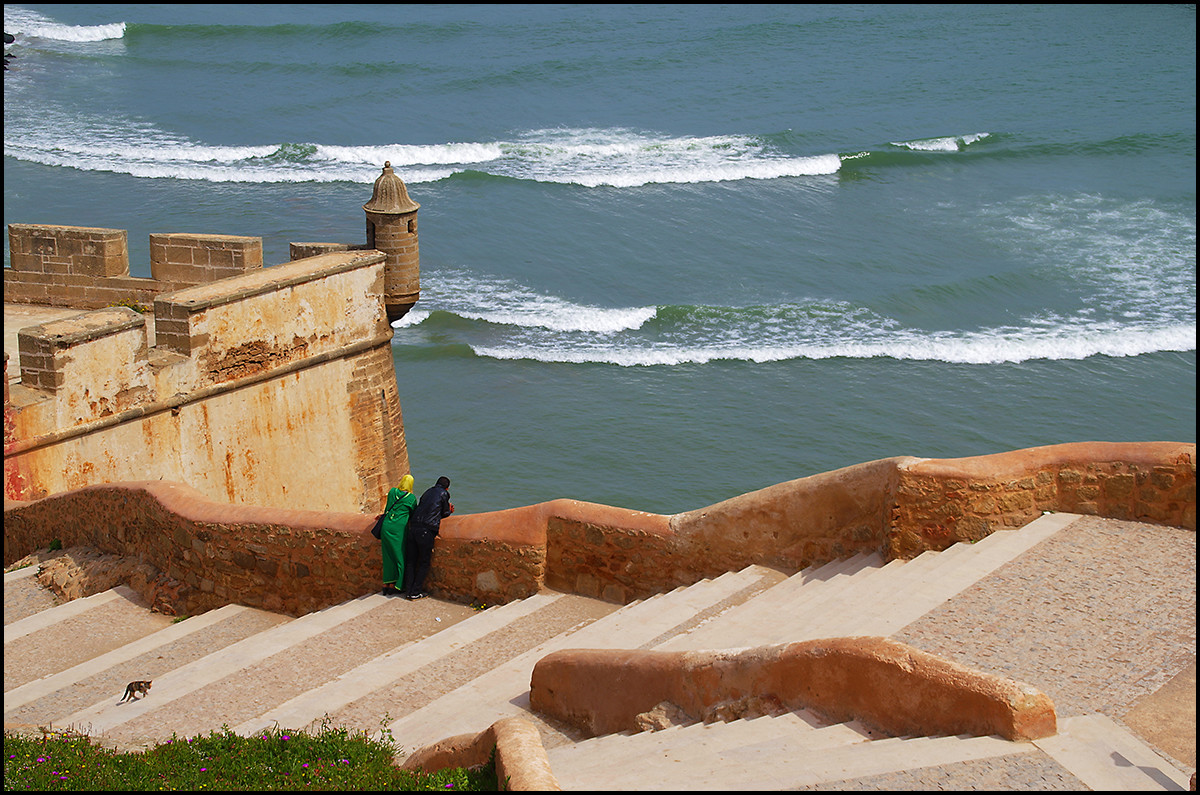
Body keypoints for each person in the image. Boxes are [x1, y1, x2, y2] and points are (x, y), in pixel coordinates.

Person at [402, 476, 454, 599]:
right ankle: (415, 592)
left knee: (411, 561)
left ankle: (408, 590)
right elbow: (444, 512)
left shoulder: (428, 491)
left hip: (414, 527)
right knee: (424, 562)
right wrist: (450, 510)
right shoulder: (444, 493)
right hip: (426, 530)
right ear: (447, 487)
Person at [380, 474, 417, 596]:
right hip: (399, 529)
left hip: (386, 526)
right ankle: (396, 585)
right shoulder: (411, 498)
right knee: (400, 556)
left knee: (388, 556)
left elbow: (386, 509)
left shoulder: (392, 492)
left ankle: (386, 584)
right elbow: (413, 513)